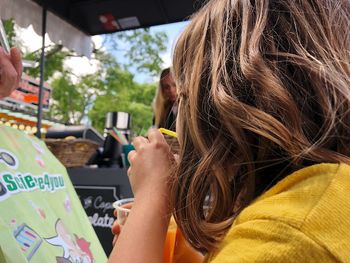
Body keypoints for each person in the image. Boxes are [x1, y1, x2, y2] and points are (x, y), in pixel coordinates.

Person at [109, 0, 350, 262]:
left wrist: (150, 195)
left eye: (186, 96)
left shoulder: (286, 235)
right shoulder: (322, 197)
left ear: (220, 111)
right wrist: (154, 244)